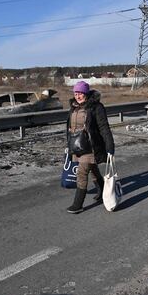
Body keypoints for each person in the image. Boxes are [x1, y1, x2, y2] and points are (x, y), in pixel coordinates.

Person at [66, 81, 115, 214]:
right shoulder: (74, 107)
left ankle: (78, 204)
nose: (78, 96)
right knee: (93, 169)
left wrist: (110, 145)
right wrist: (68, 144)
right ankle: (102, 190)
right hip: (78, 145)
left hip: (91, 145)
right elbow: (70, 127)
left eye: (80, 93)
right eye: (76, 93)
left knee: (82, 172)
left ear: (86, 93)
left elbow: (104, 127)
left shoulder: (96, 107)